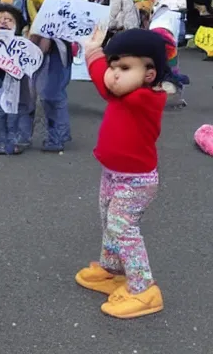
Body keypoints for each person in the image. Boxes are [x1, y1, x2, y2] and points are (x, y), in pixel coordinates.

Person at [76, 27, 169, 319]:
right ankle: (112, 270)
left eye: (125, 67)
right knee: (108, 221)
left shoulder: (146, 99)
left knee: (123, 229)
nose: (114, 73)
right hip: (113, 173)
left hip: (136, 181)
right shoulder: (124, 92)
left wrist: (96, 55)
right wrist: (94, 51)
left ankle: (144, 289)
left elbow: (104, 85)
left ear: (150, 74)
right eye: (114, 66)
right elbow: (105, 82)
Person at [0, 3, 30, 154]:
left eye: (8, 20)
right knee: (0, 112)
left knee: (15, 113)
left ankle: (15, 140)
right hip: (2, 82)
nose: (3, 22)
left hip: (19, 83)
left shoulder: (23, 43)